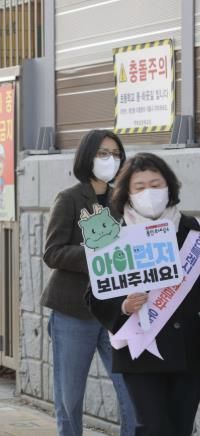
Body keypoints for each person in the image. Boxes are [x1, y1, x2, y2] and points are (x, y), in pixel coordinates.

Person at [88, 153, 200, 435]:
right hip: (141, 350)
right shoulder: (114, 237)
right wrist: (123, 306)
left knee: (181, 427)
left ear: (169, 187)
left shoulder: (191, 231)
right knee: (152, 426)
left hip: (189, 348)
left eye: (155, 184)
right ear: (127, 193)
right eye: (140, 187)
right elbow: (95, 295)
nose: (149, 192)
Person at [40, 130, 136, 436]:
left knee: (133, 393)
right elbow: (52, 252)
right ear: (87, 157)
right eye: (102, 153)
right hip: (74, 311)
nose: (110, 160)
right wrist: (95, 254)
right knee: (70, 398)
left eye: (116, 154)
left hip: (118, 311)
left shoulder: (125, 200)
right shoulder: (69, 199)